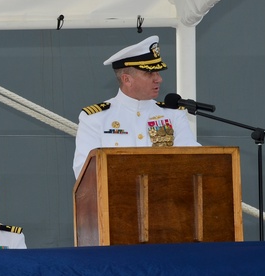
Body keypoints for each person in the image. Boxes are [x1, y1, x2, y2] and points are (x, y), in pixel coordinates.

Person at [73, 35, 200, 177]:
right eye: (150, 73)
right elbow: (84, 173)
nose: (159, 79)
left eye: (158, 72)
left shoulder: (174, 115)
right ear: (127, 79)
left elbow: (192, 161)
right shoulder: (95, 118)